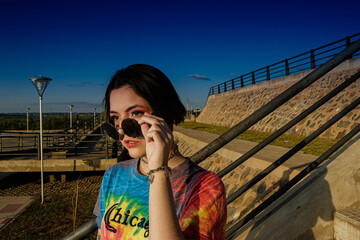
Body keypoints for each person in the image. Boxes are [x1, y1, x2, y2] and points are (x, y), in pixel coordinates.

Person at [93, 64, 227, 239]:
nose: (122, 131)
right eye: (115, 118)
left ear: (164, 114)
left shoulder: (205, 187)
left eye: (135, 113)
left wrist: (158, 170)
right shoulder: (114, 174)